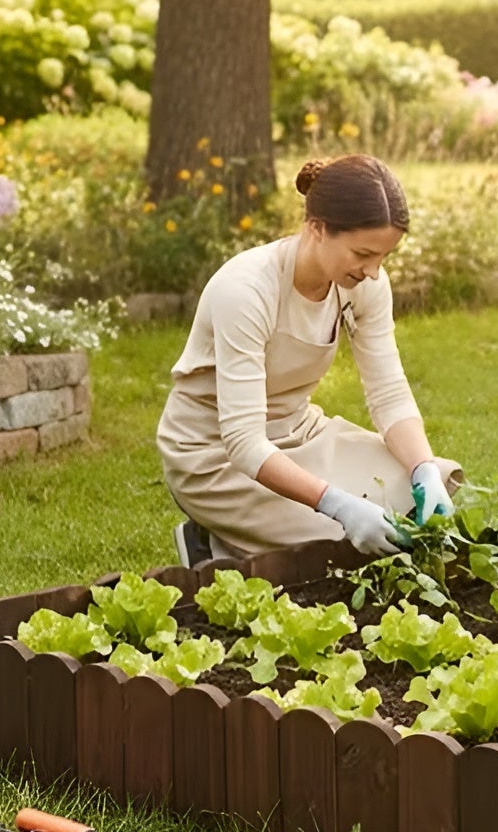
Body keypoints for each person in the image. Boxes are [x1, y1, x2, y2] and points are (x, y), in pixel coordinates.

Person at [158, 154, 460, 563]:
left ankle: (250, 539)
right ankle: (211, 544)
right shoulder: (246, 290)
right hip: (215, 455)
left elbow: (388, 394)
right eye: (362, 254)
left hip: (301, 434)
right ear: (317, 228)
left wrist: (422, 467)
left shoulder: (364, 285)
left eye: (383, 258)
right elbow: (244, 442)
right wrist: (339, 505)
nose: (373, 272)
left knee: (428, 487)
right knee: (342, 537)